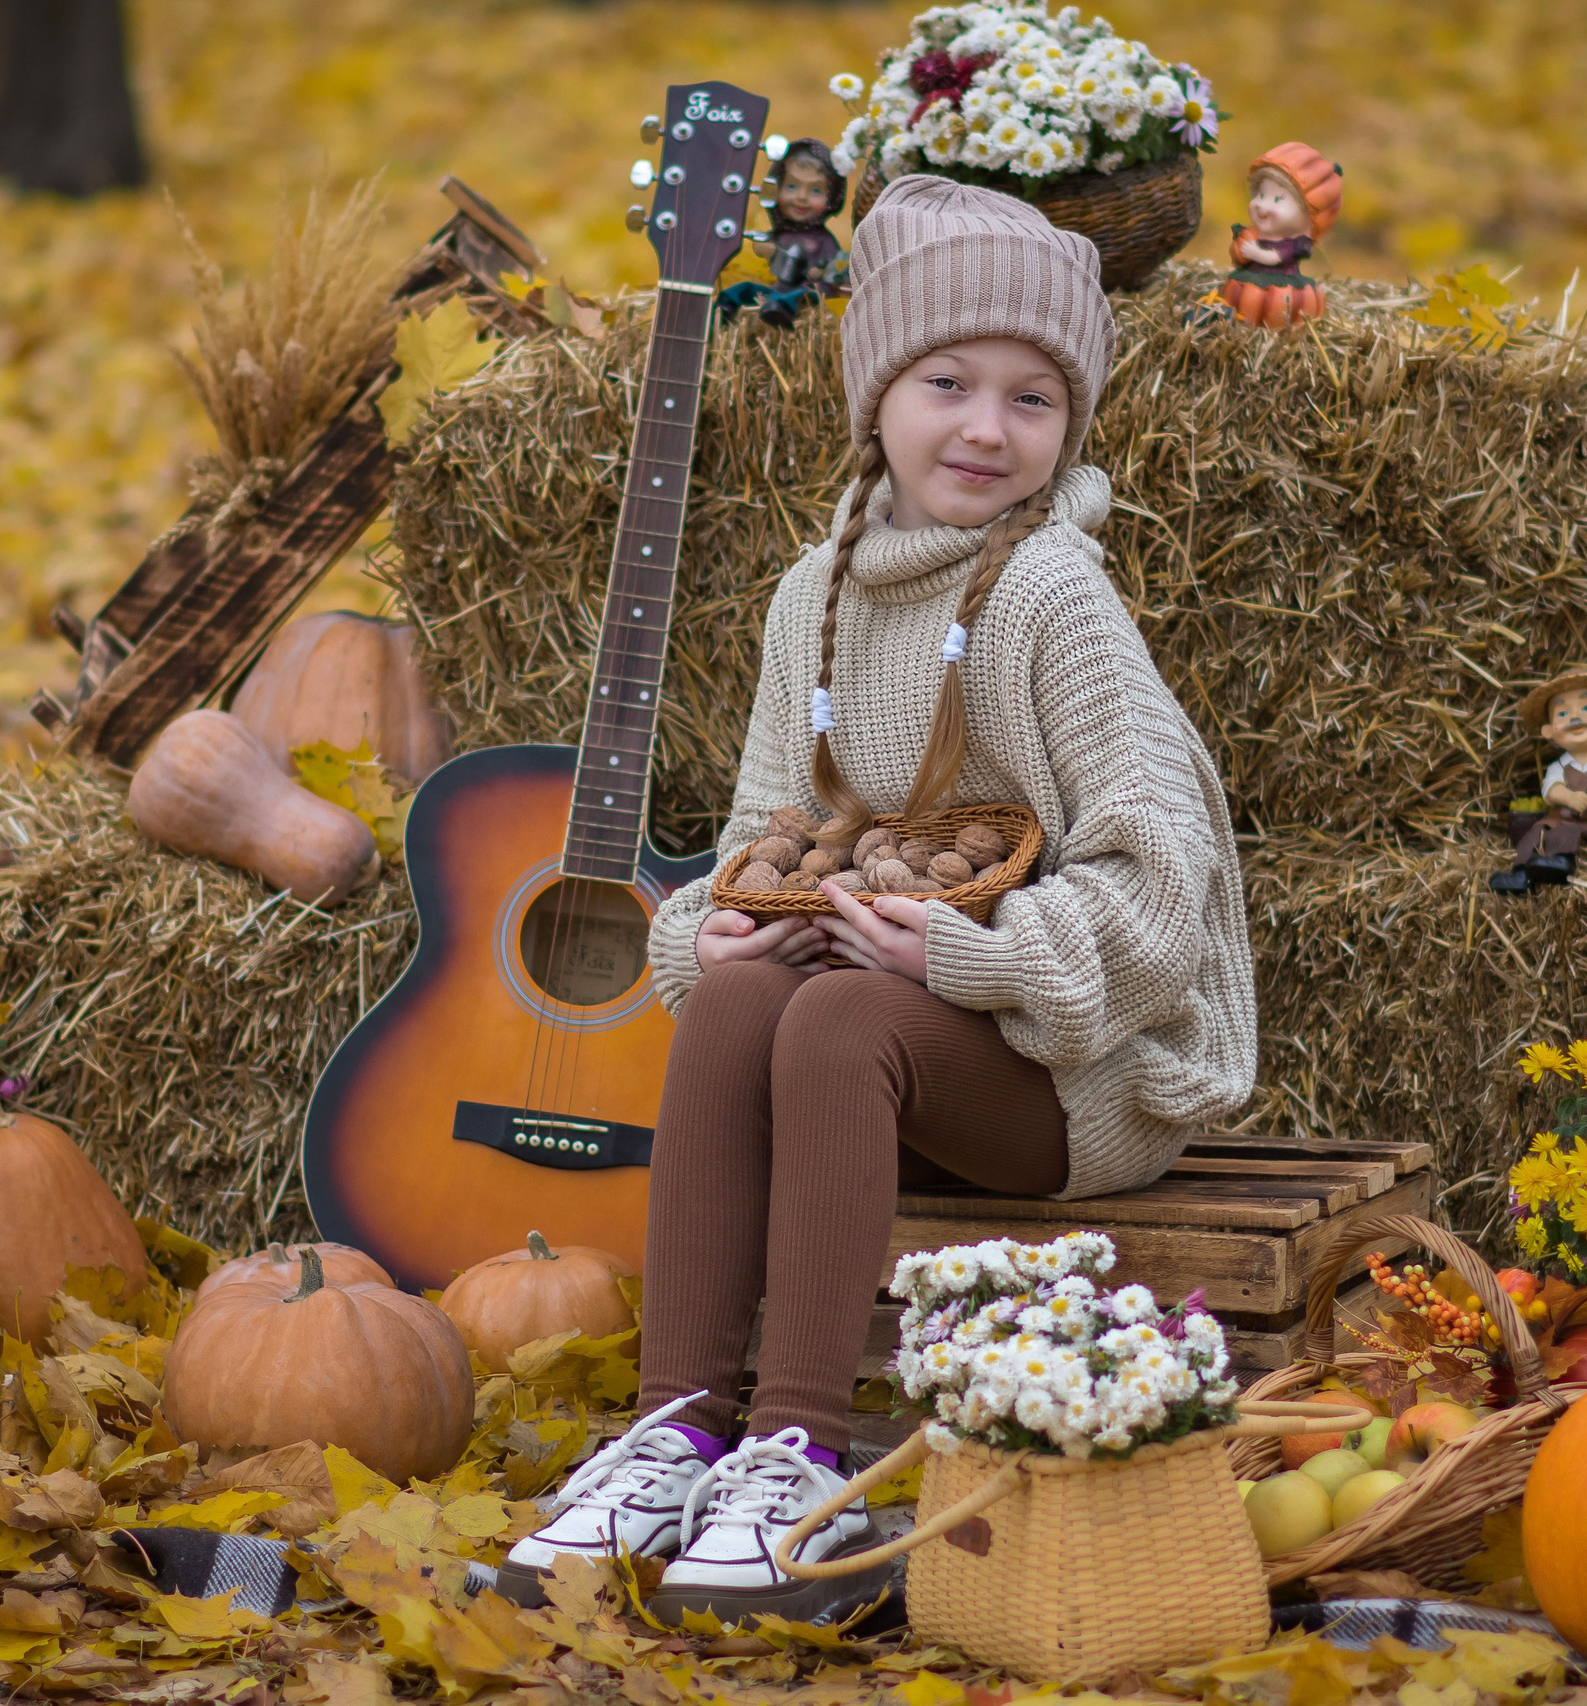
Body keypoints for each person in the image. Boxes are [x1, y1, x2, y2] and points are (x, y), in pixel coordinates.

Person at [497, 175, 1257, 1624]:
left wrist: (974, 944)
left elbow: (1168, 884)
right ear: (877, 397)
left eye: (1034, 398)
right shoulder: (815, 600)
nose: (987, 426)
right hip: (901, 1021)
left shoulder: (1054, 600)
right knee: (742, 988)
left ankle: (799, 1448)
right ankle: (680, 1428)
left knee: (843, 1013)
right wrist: (701, 926)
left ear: (1070, 428)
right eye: (949, 381)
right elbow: (762, 829)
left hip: (1071, 1067)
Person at [1490, 669, 1587, 896]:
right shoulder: (1560, 766)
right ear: (1549, 732)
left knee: (1567, 833)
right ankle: (1520, 873)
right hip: (1560, 819)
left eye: (1586, 708)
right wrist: (1567, 797)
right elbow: (1550, 791)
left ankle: (1561, 862)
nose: (1574, 718)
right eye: (1562, 713)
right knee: (1536, 832)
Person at [717, 139, 848, 329]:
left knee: (804, 294)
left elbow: (837, 266)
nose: (801, 197)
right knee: (746, 288)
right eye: (792, 187)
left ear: (832, 197)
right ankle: (725, 306)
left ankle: (782, 311)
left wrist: (823, 270)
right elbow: (761, 251)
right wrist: (765, 250)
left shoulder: (823, 240)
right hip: (775, 290)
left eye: (815, 190)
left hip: (809, 293)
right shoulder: (778, 234)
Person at [1218, 142, 1343, 330]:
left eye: (1277, 199)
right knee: (1236, 288)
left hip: (1283, 285)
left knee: (1271, 298)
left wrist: (1255, 253)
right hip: (1249, 277)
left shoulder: (1296, 244)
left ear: (1309, 218)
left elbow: (1275, 257)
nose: (1261, 205)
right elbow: (1238, 255)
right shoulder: (1253, 234)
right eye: (1260, 195)